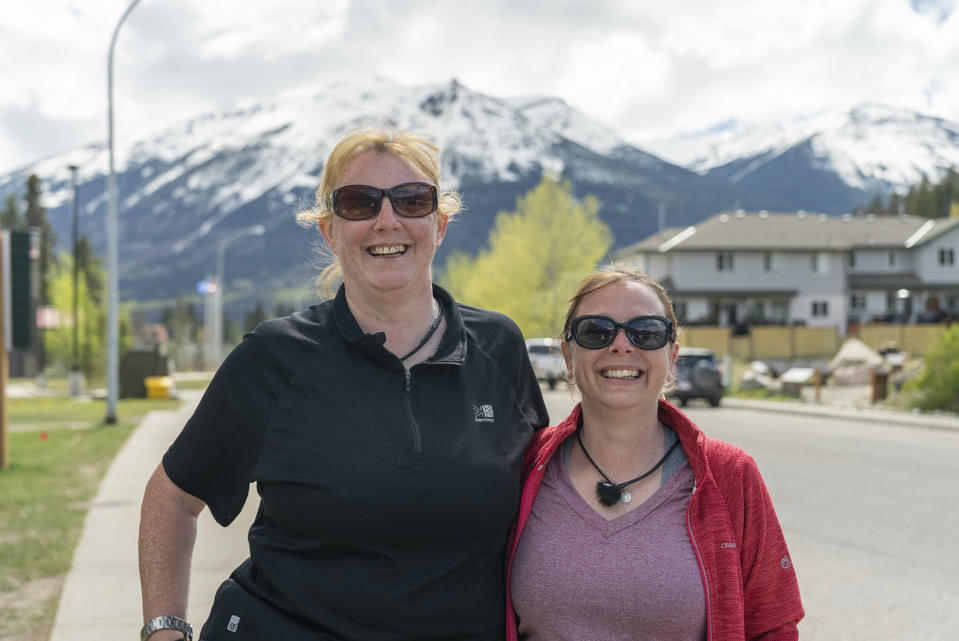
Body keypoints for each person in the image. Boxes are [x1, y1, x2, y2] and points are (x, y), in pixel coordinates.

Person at [138, 127, 549, 641]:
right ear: (330, 231)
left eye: (411, 200)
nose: (387, 220)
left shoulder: (498, 347)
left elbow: (546, 501)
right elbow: (172, 496)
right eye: (359, 203)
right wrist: (164, 630)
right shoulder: (274, 358)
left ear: (439, 225)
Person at [506, 267, 803, 641]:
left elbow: (773, 627)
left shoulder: (730, 475)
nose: (621, 345)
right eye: (596, 331)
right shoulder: (524, 465)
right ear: (567, 356)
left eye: (646, 332)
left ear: (672, 357)